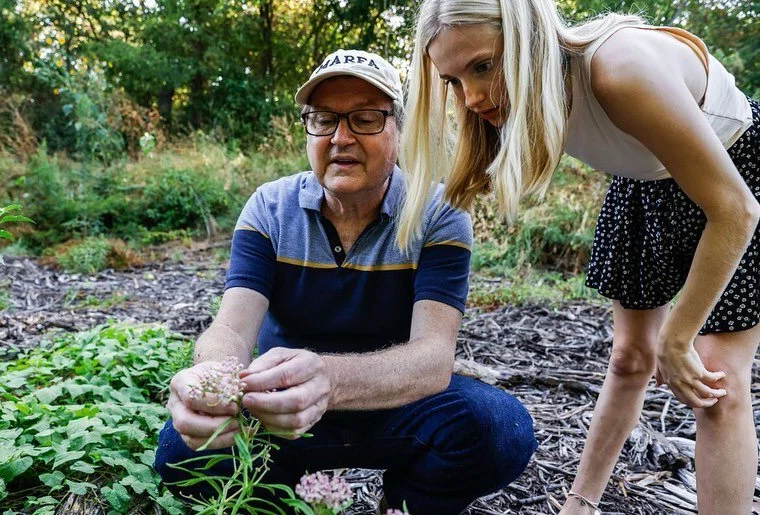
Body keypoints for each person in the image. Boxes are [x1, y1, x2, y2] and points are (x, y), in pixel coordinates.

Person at [396, 1, 758, 514]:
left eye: (483, 66)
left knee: (715, 377)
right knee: (631, 356)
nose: (471, 97)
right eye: (453, 80)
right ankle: (580, 504)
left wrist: (678, 338)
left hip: (736, 171)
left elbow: (737, 210)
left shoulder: (619, 71)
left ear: (528, 39)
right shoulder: (513, 99)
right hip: (645, 183)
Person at [154, 49, 537, 515]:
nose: (340, 138)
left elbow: (434, 358)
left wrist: (328, 380)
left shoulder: (438, 213)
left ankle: (404, 505)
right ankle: (280, 503)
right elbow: (232, 329)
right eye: (323, 119)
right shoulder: (269, 209)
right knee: (180, 452)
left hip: (400, 404)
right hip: (281, 412)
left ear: (398, 129)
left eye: (365, 119)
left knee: (500, 429)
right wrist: (212, 381)